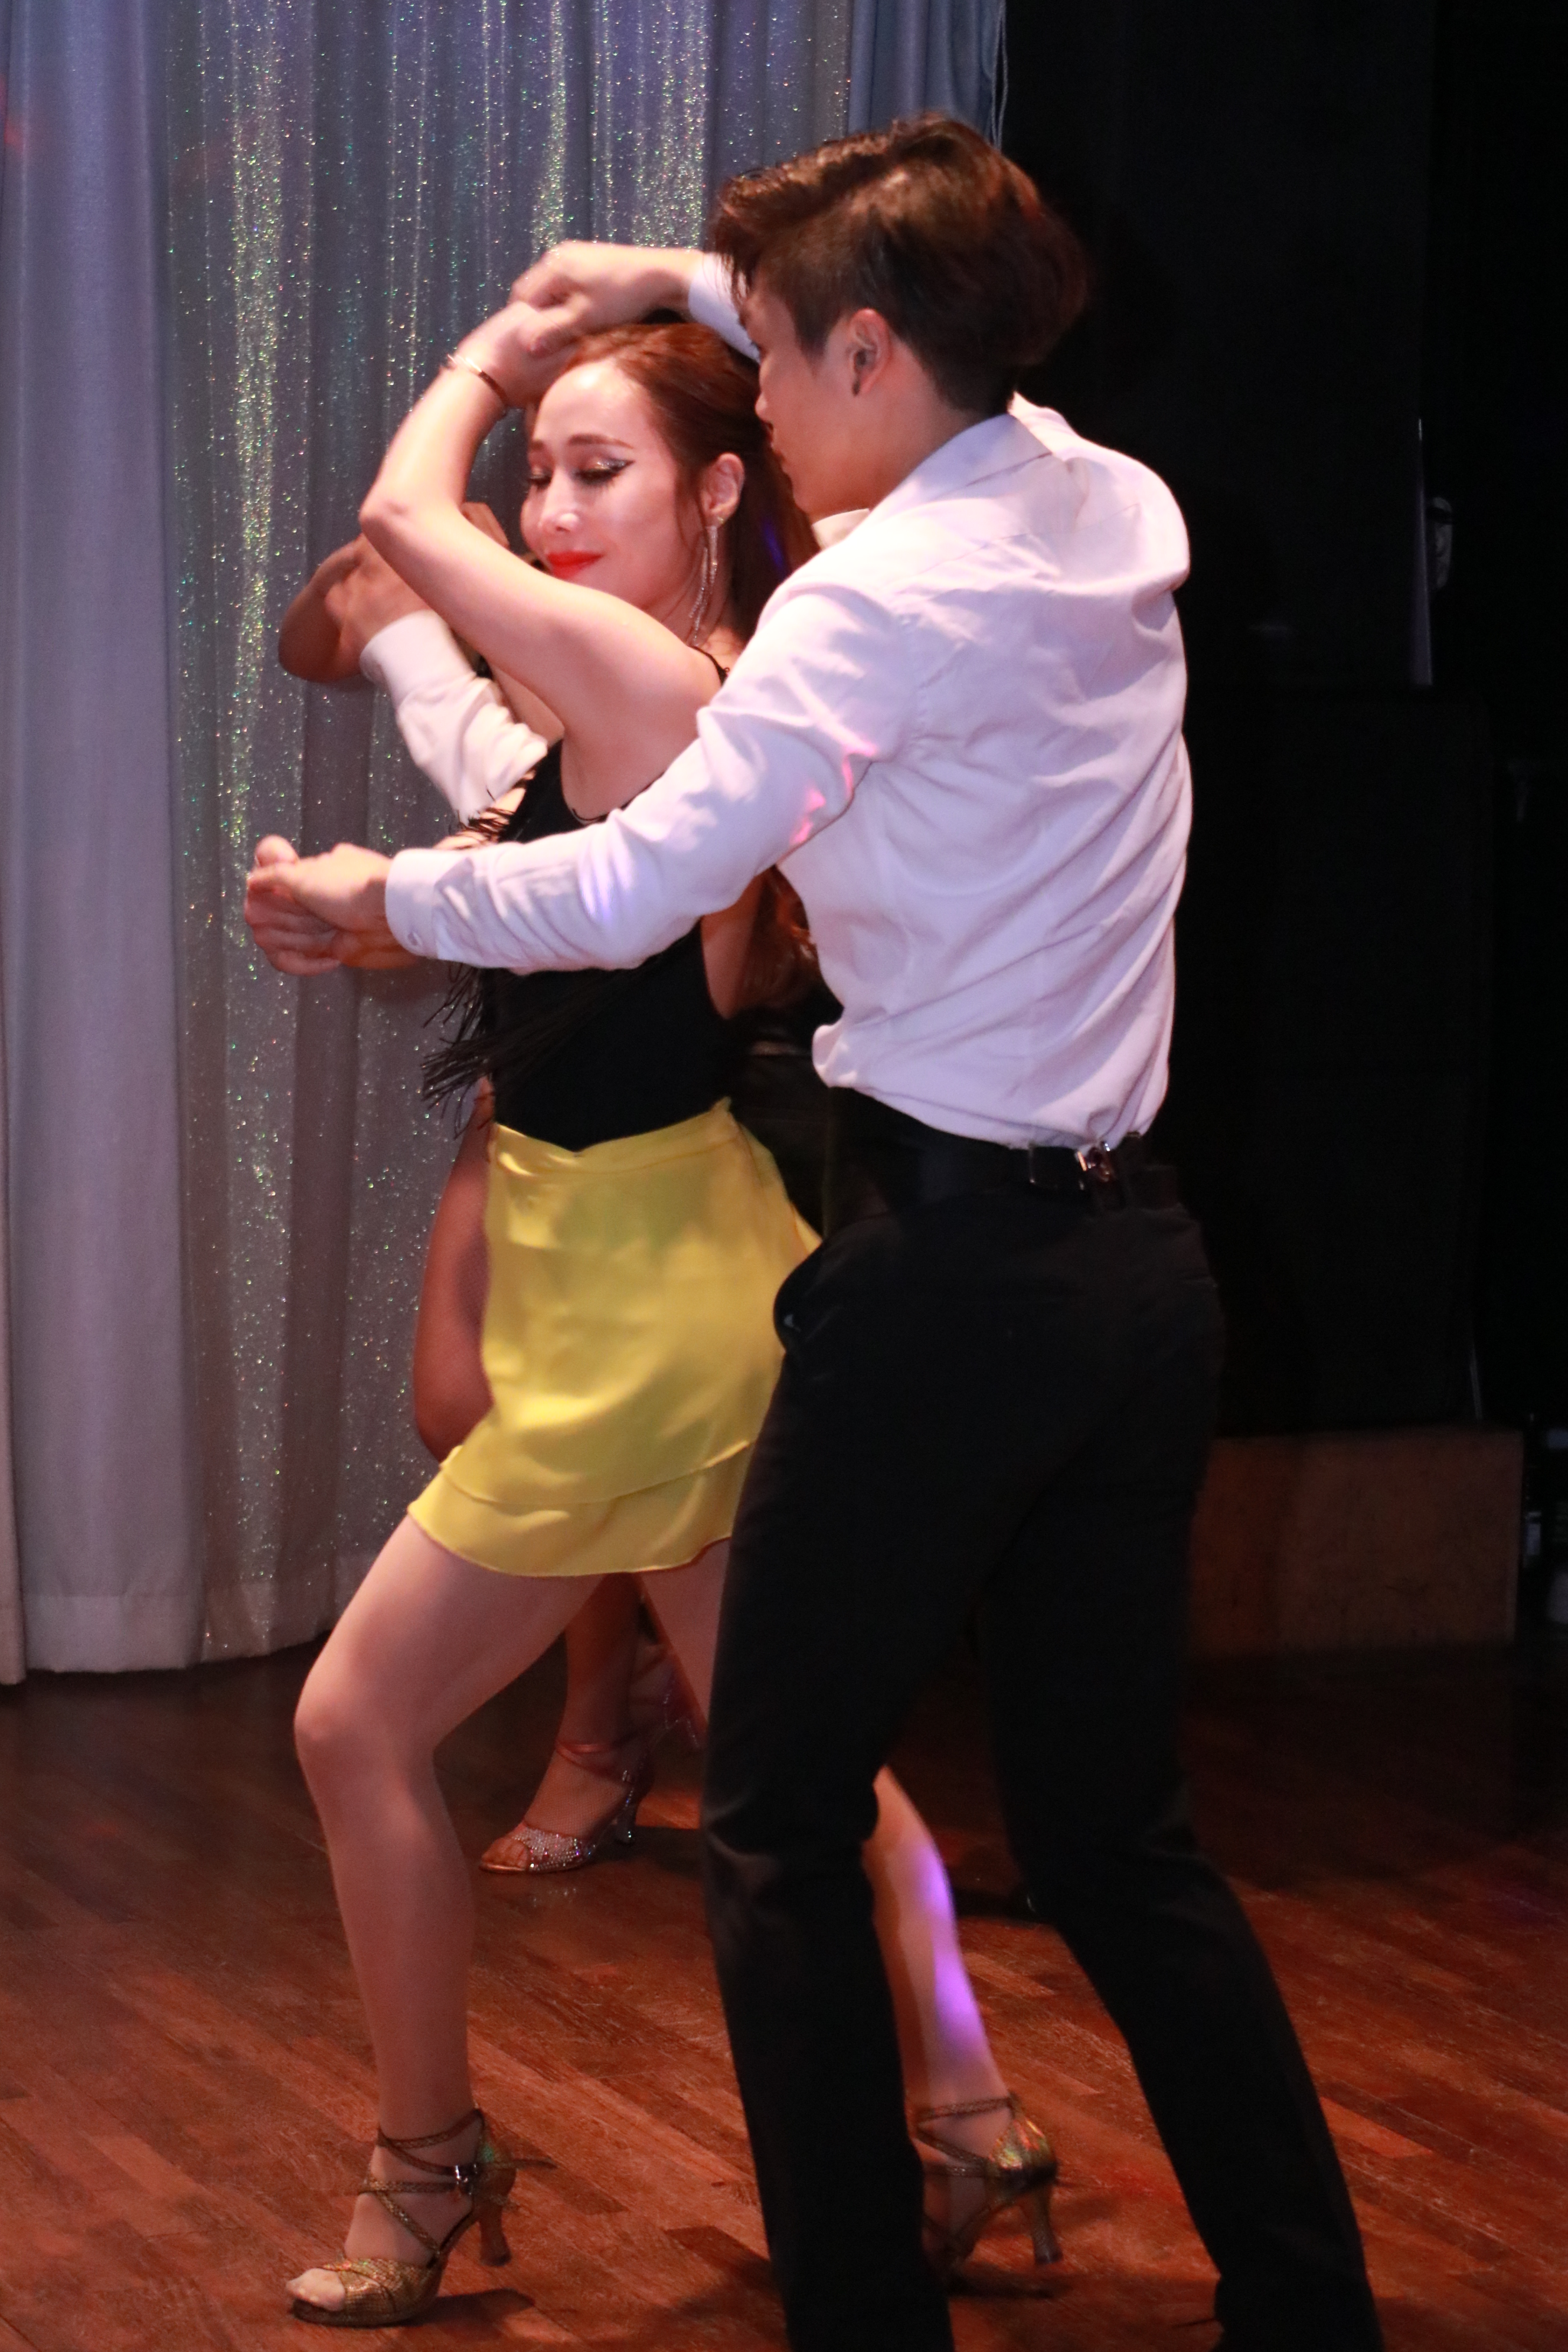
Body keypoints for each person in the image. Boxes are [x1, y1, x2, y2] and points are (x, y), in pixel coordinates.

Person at [267, 119, 1385, 2352]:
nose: (761, 403)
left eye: (774, 357)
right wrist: (673, 277)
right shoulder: (1102, 498)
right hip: (1136, 1276)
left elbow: (627, 883)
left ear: (871, 351)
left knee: (772, 1829)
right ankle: (1304, 2307)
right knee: (1118, 1845)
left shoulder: (863, 612)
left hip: (946, 1280)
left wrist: (381, 899)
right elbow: (908, 354)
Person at [247, 308, 1057, 2328]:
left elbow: (395, 528)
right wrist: (356, 912)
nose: (545, 506)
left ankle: (428, 2161)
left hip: (641, 1331)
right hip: (662, 1272)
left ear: (716, 495)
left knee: (352, 1725)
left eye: (594, 470)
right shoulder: (640, 698)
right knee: (805, 1760)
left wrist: (488, 354)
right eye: (538, 471)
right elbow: (535, 911)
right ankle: (974, 2118)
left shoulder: (658, 682)